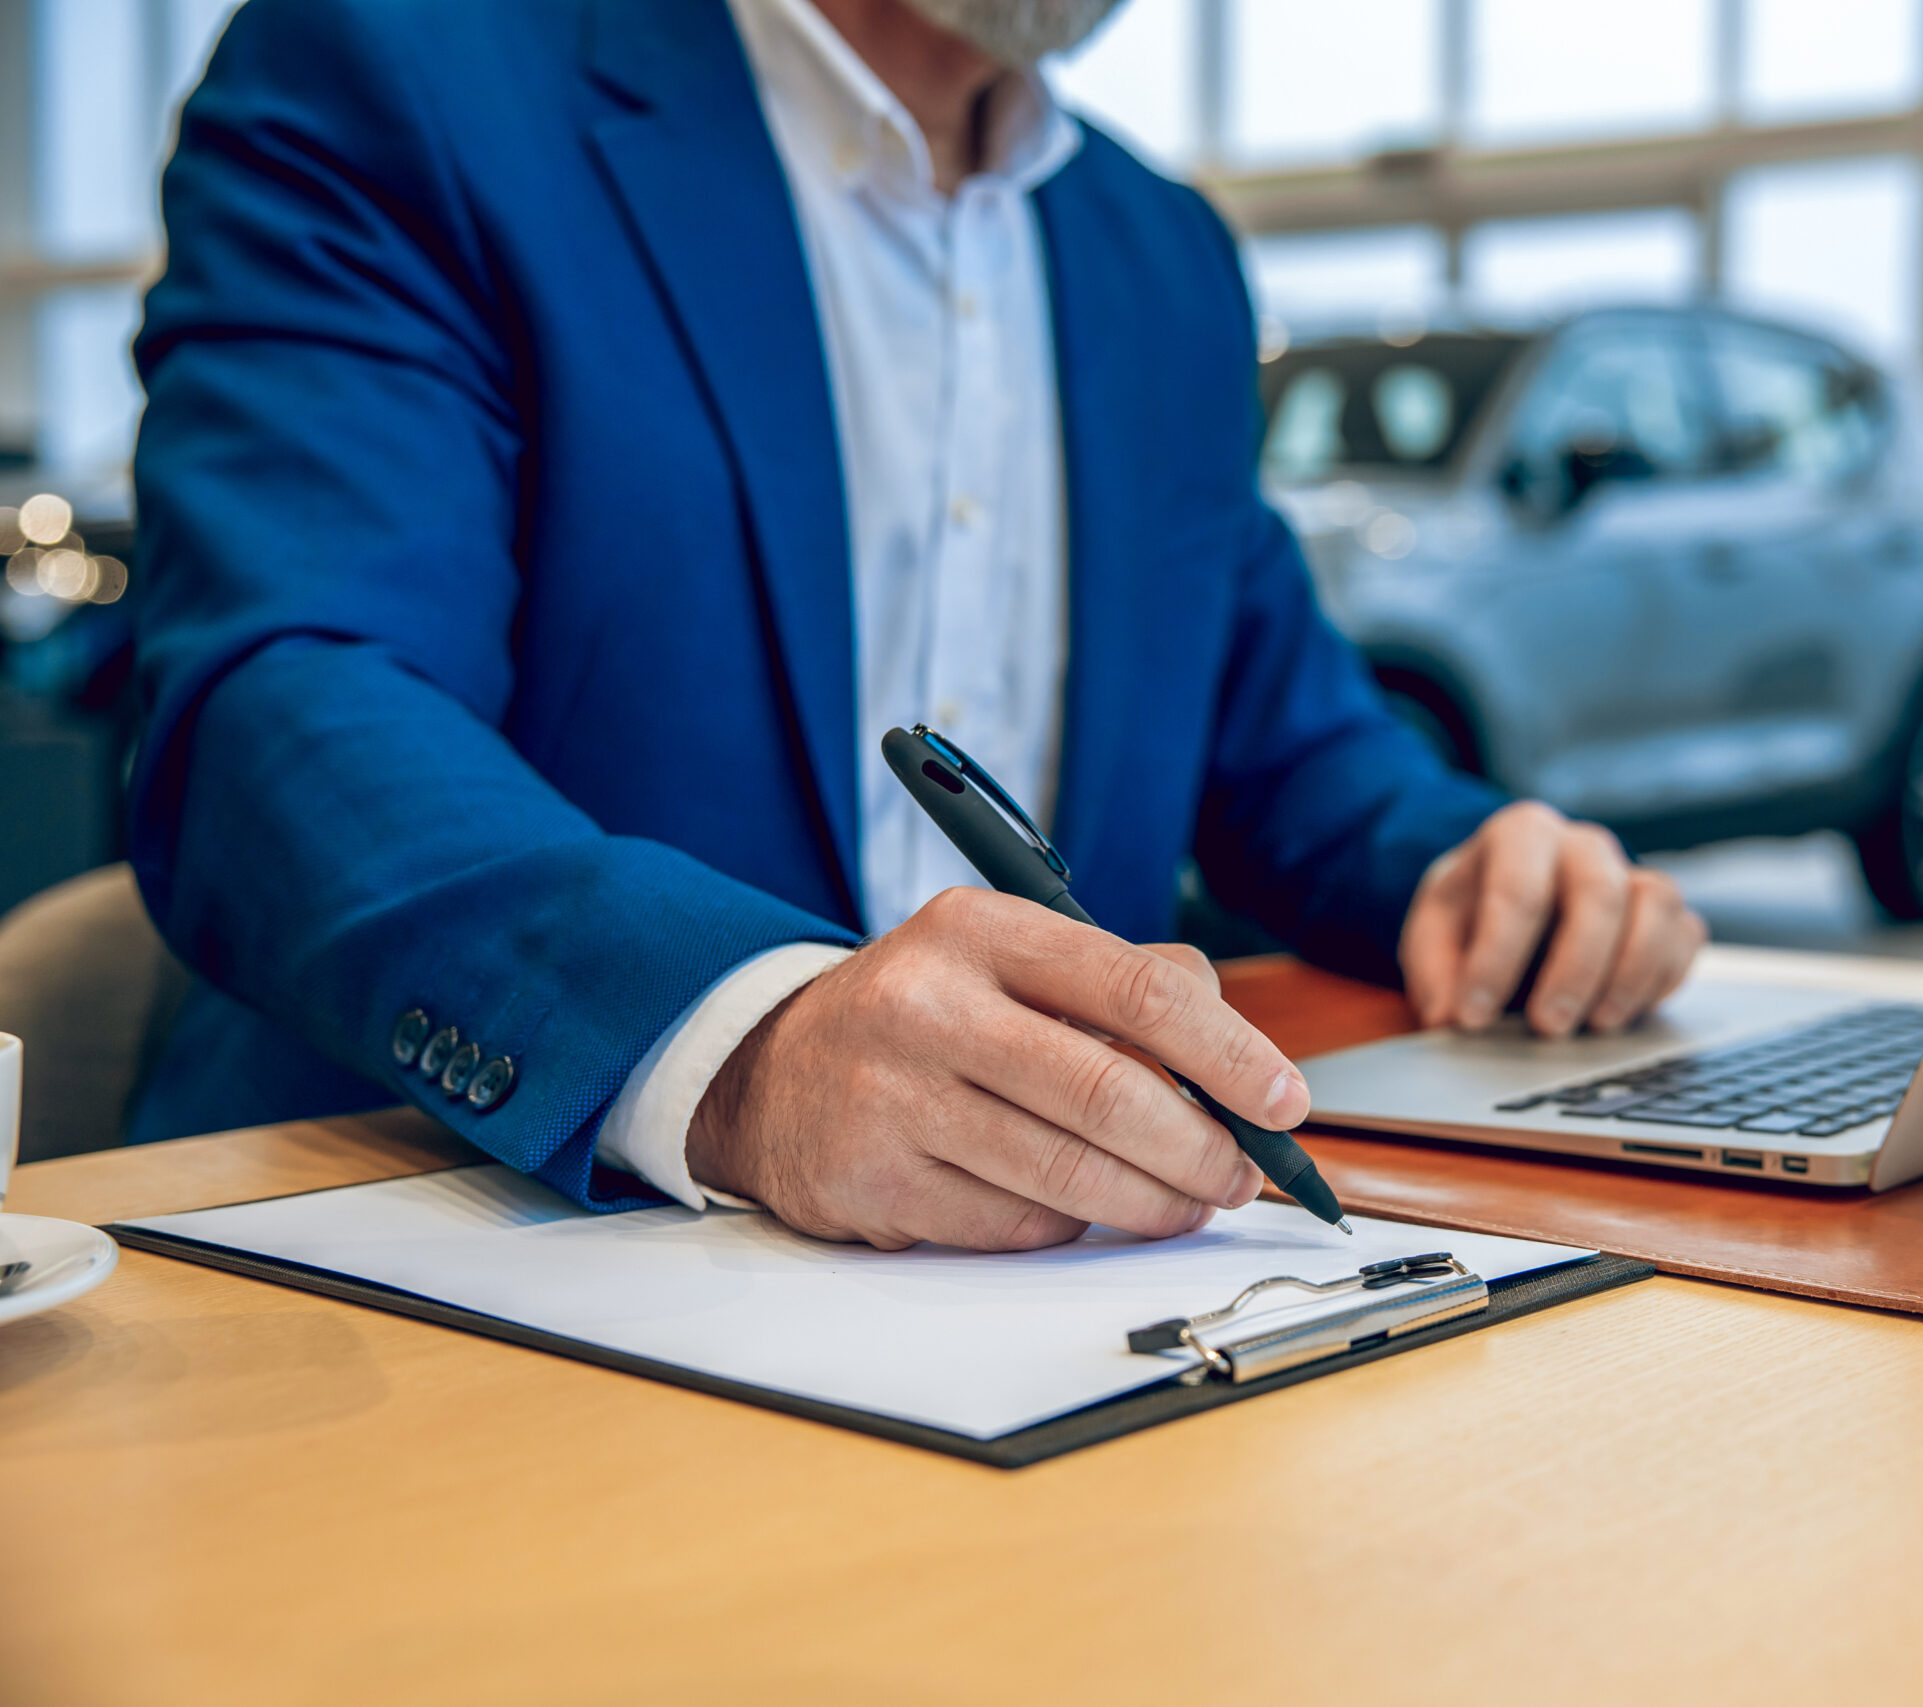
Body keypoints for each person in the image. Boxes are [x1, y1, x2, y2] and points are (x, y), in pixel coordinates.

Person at [126, 0, 1705, 1250]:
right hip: (460, 1250)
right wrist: (749, 1045)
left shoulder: (1158, 259)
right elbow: (289, 700)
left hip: (1033, 1308)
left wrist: (1474, 870)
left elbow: (1289, 743)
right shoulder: (398, 74)